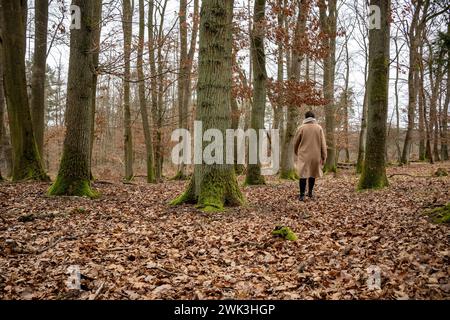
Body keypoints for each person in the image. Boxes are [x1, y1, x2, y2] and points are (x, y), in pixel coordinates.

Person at [293, 111, 327, 201]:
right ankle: (310, 193)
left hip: (303, 154)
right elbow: (323, 144)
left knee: (302, 174)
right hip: (316, 155)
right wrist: (324, 156)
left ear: (305, 118)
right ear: (314, 118)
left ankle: (302, 195)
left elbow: (296, 143)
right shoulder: (319, 128)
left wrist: (296, 152)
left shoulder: (301, 128)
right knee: (313, 173)